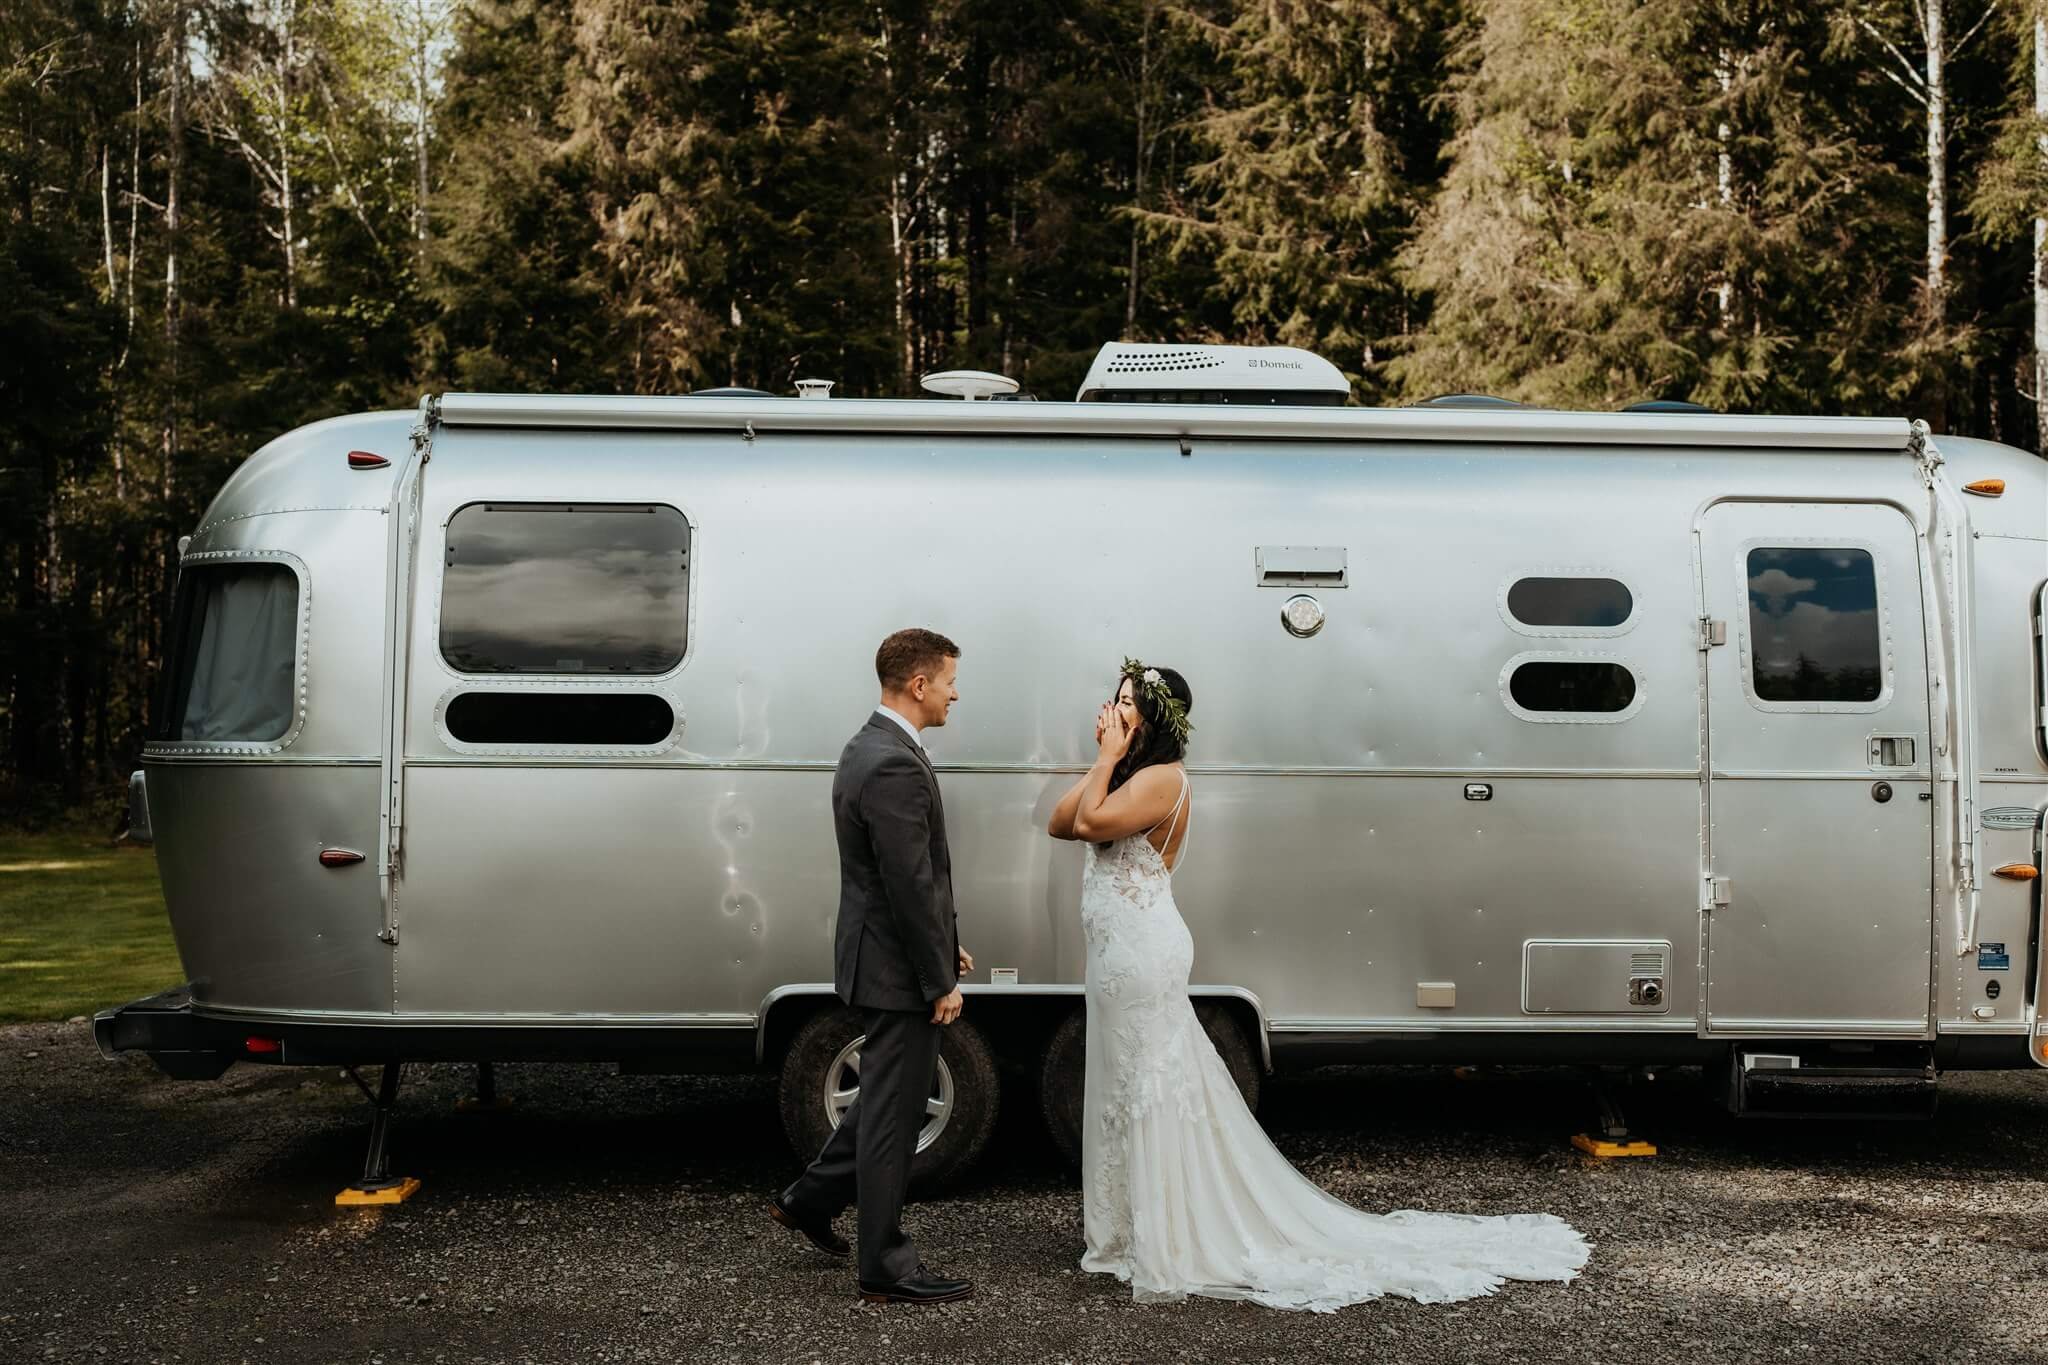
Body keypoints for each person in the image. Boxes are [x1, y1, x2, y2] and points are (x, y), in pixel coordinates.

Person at [1047, 658, 1591, 1311]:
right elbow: (1059, 818)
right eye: (1118, 697)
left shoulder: (1163, 778)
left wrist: (1107, 757)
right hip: (1112, 958)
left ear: (1159, 718)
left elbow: (1088, 823)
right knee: (1118, 1085)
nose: (1118, 707)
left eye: (1131, 700)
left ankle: (1172, 1232)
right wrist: (1103, 759)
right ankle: (1126, 1231)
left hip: (1142, 953)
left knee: (1148, 1088)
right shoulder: (1123, 774)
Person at [770, 628, 975, 1306]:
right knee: (894, 1112)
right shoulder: (892, 761)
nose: (954, 692)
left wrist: (946, 946)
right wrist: (937, 977)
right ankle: (884, 1263)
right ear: (918, 684)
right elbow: (908, 882)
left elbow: (909, 882)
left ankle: (807, 1199)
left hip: (884, 956)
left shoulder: (869, 745)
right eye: (948, 680)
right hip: (893, 967)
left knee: (888, 1096)